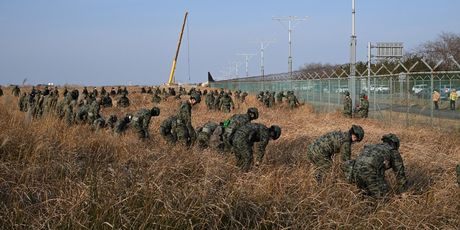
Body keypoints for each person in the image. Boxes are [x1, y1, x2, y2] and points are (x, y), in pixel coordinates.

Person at [346, 134, 407, 198]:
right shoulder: (393, 151)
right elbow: (400, 173)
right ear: (395, 144)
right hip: (369, 173)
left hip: (355, 172)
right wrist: (403, 192)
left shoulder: (371, 146)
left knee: (363, 195)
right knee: (382, 198)